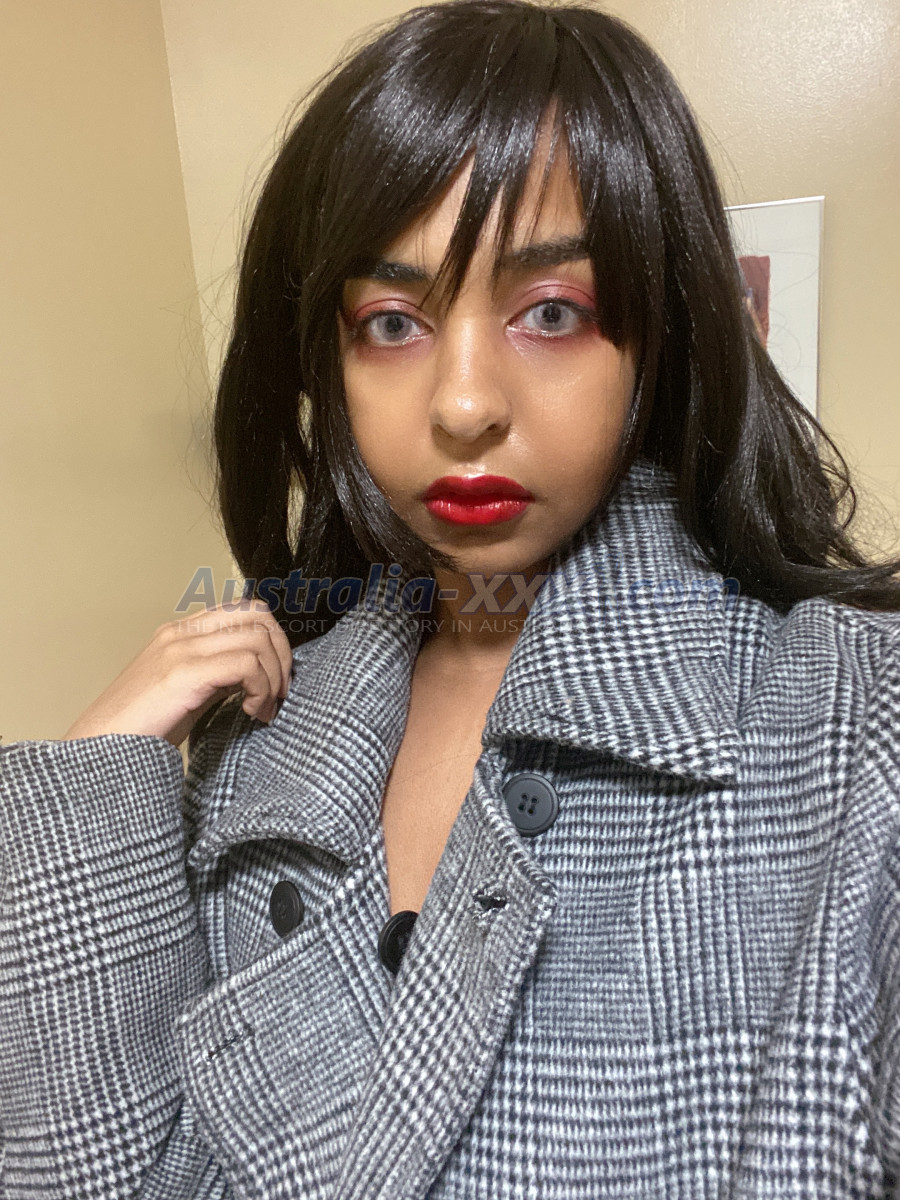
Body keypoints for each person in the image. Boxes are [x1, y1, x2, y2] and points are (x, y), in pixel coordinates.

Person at [2, 1, 900, 1196]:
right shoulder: (252, 748)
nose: (464, 404)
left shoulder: (854, 728)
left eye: (552, 313)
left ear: (661, 342)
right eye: (391, 323)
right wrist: (96, 779)